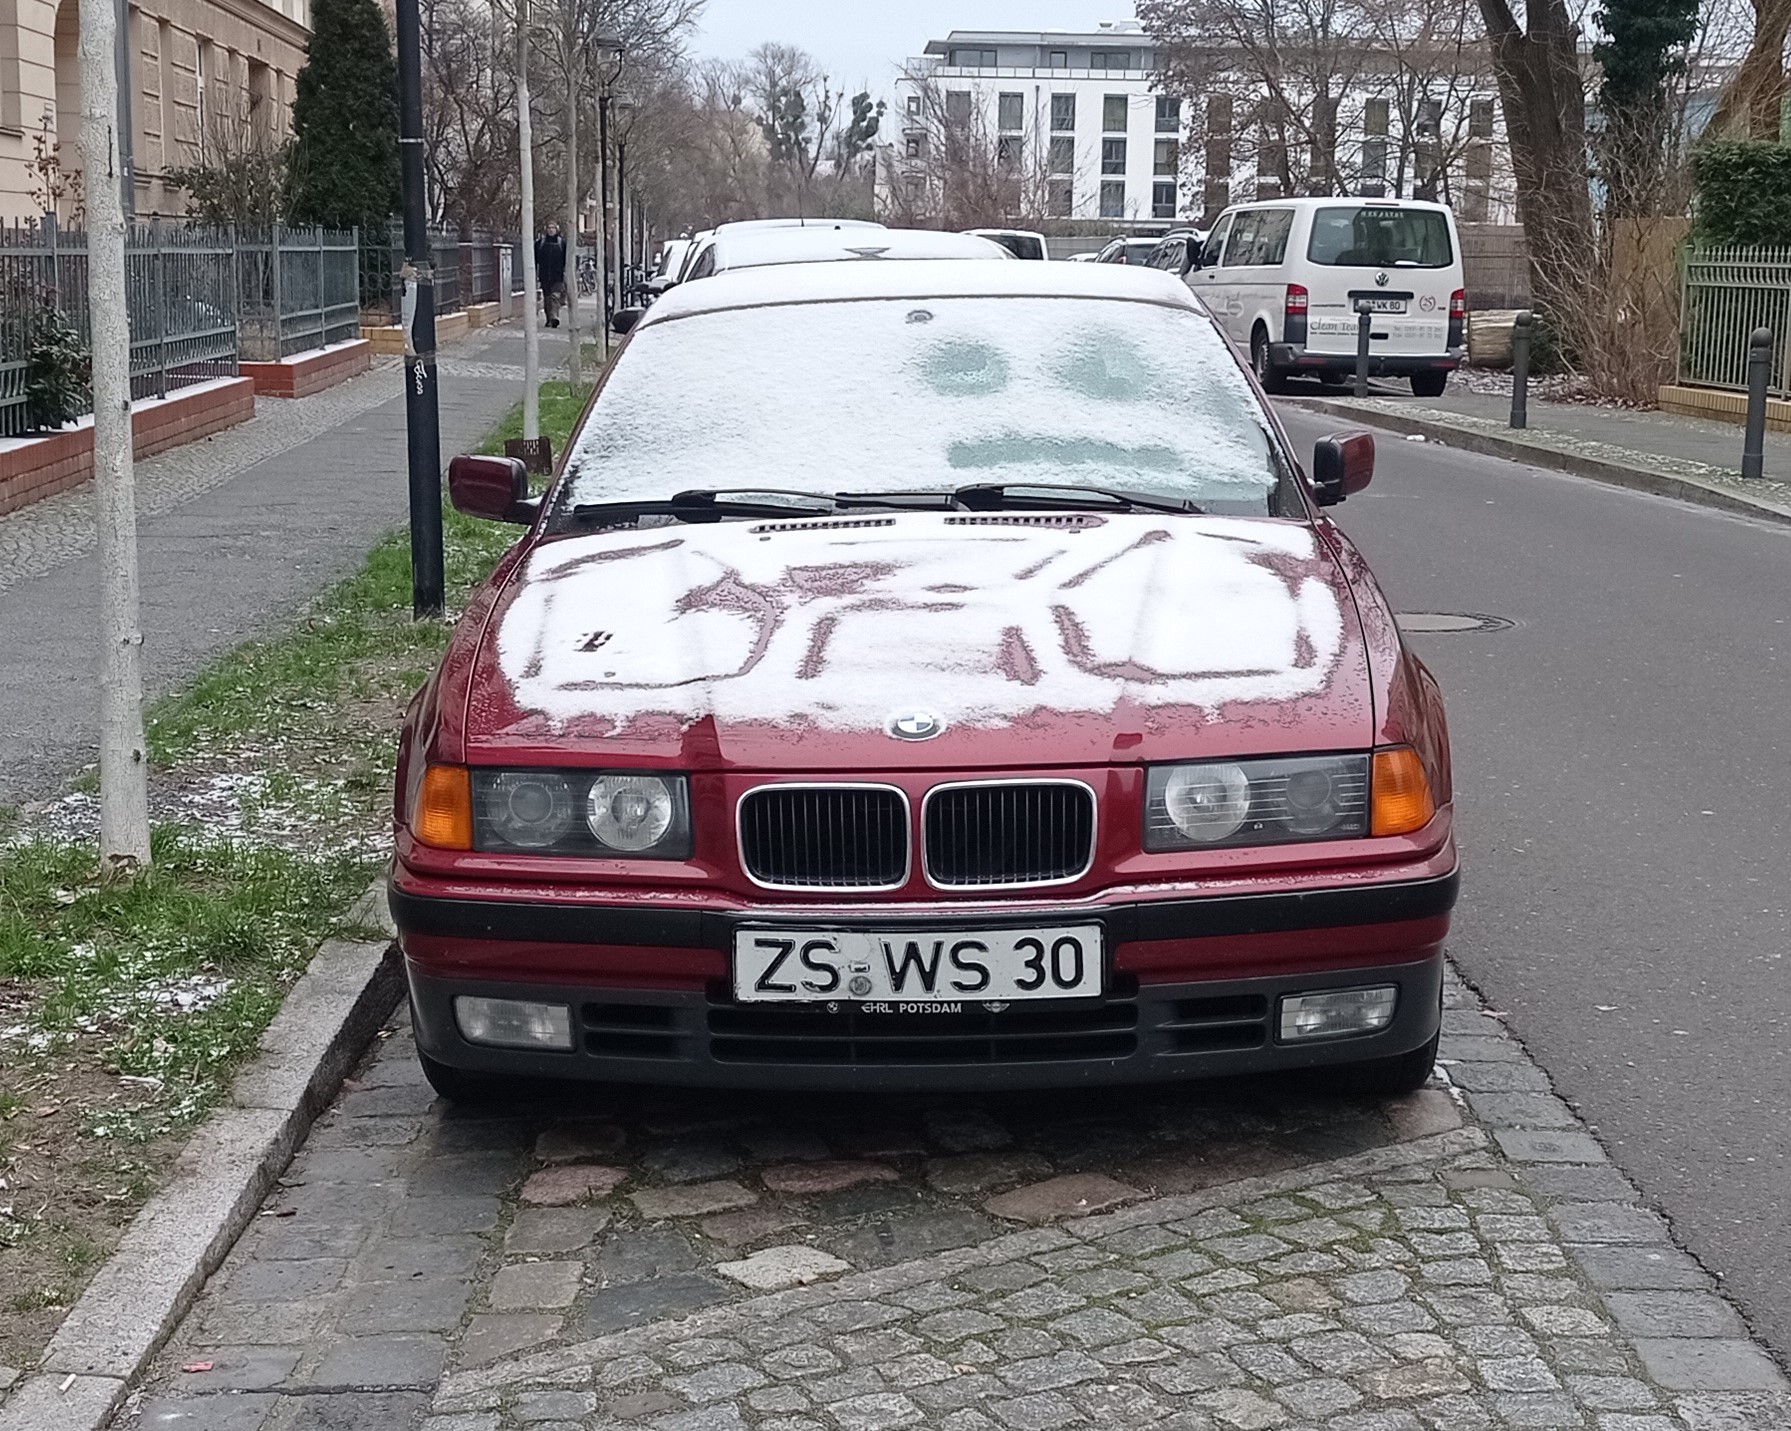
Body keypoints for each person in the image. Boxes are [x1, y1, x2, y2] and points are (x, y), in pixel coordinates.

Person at [536, 222, 568, 328]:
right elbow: (536, 259)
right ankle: (549, 318)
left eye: (553, 228)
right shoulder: (540, 243)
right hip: (544, 275)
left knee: (555, 296)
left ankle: (555, 317)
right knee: (547, 298)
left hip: (557, 275)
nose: (551, 230)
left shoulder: (561, 243)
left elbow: (566, 259)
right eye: (549, 228)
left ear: (557, 229)